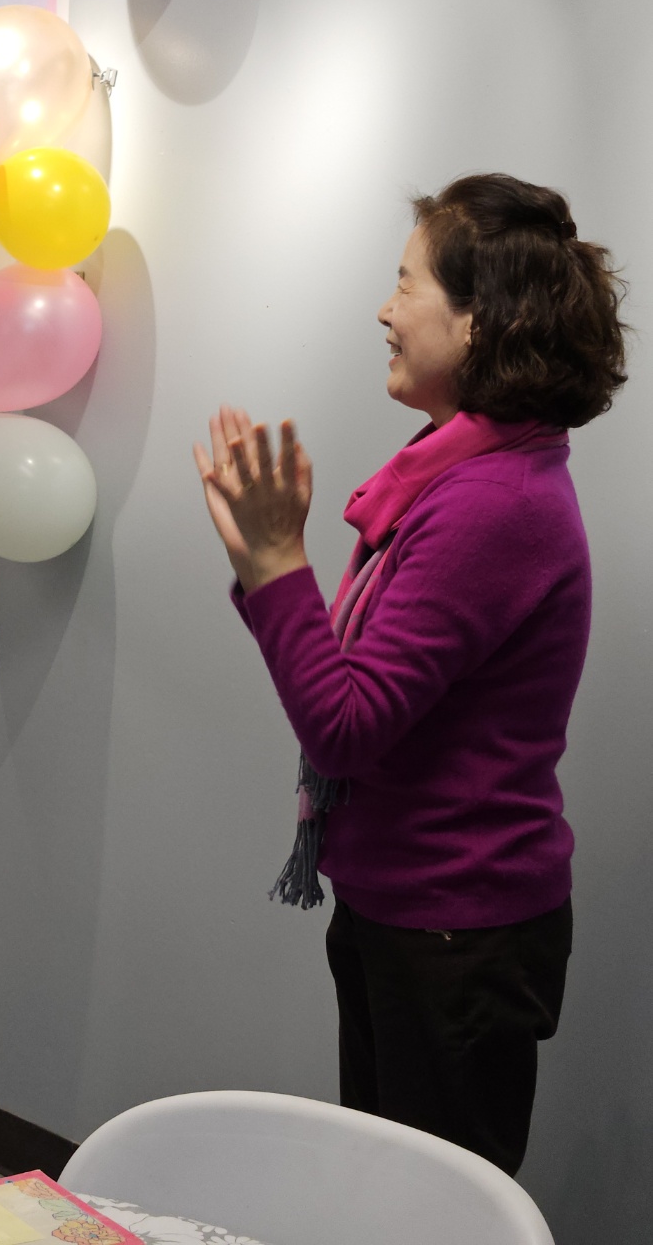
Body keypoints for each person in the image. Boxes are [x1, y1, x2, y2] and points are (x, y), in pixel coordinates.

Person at [194, 174, 627, 1176]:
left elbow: (345, 727)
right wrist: (265, 566)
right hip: (413, 913)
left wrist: (276, 565)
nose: (384, 311)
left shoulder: (492, 502)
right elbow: (356, 697)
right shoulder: (466, 472)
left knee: (433, 1211)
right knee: (387, 1195)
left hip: (457, 930)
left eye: (405, 283)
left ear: (479, 320)